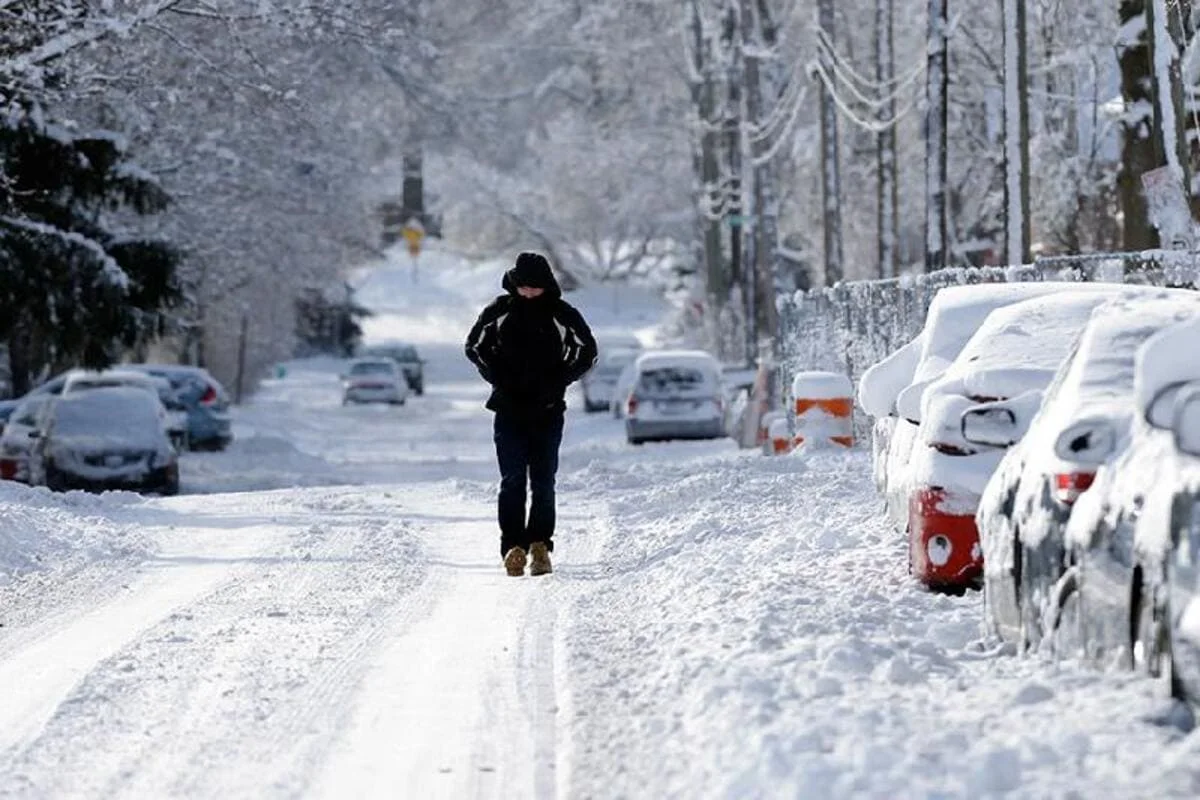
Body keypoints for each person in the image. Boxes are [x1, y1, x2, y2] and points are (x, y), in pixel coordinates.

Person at [464, 252, 598, 576]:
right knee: (512, 480)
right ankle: (513, 547)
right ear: (514, 283)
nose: (527, 293)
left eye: (534, 288)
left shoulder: (562, 314)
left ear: (545, 286)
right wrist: (496, 376)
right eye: (522, 287)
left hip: (548, 412)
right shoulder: (499, 311)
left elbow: (588, 351)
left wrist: (560, 380)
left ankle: (540, 546)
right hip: (508, 411)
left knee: (543, 481)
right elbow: (473, 347)